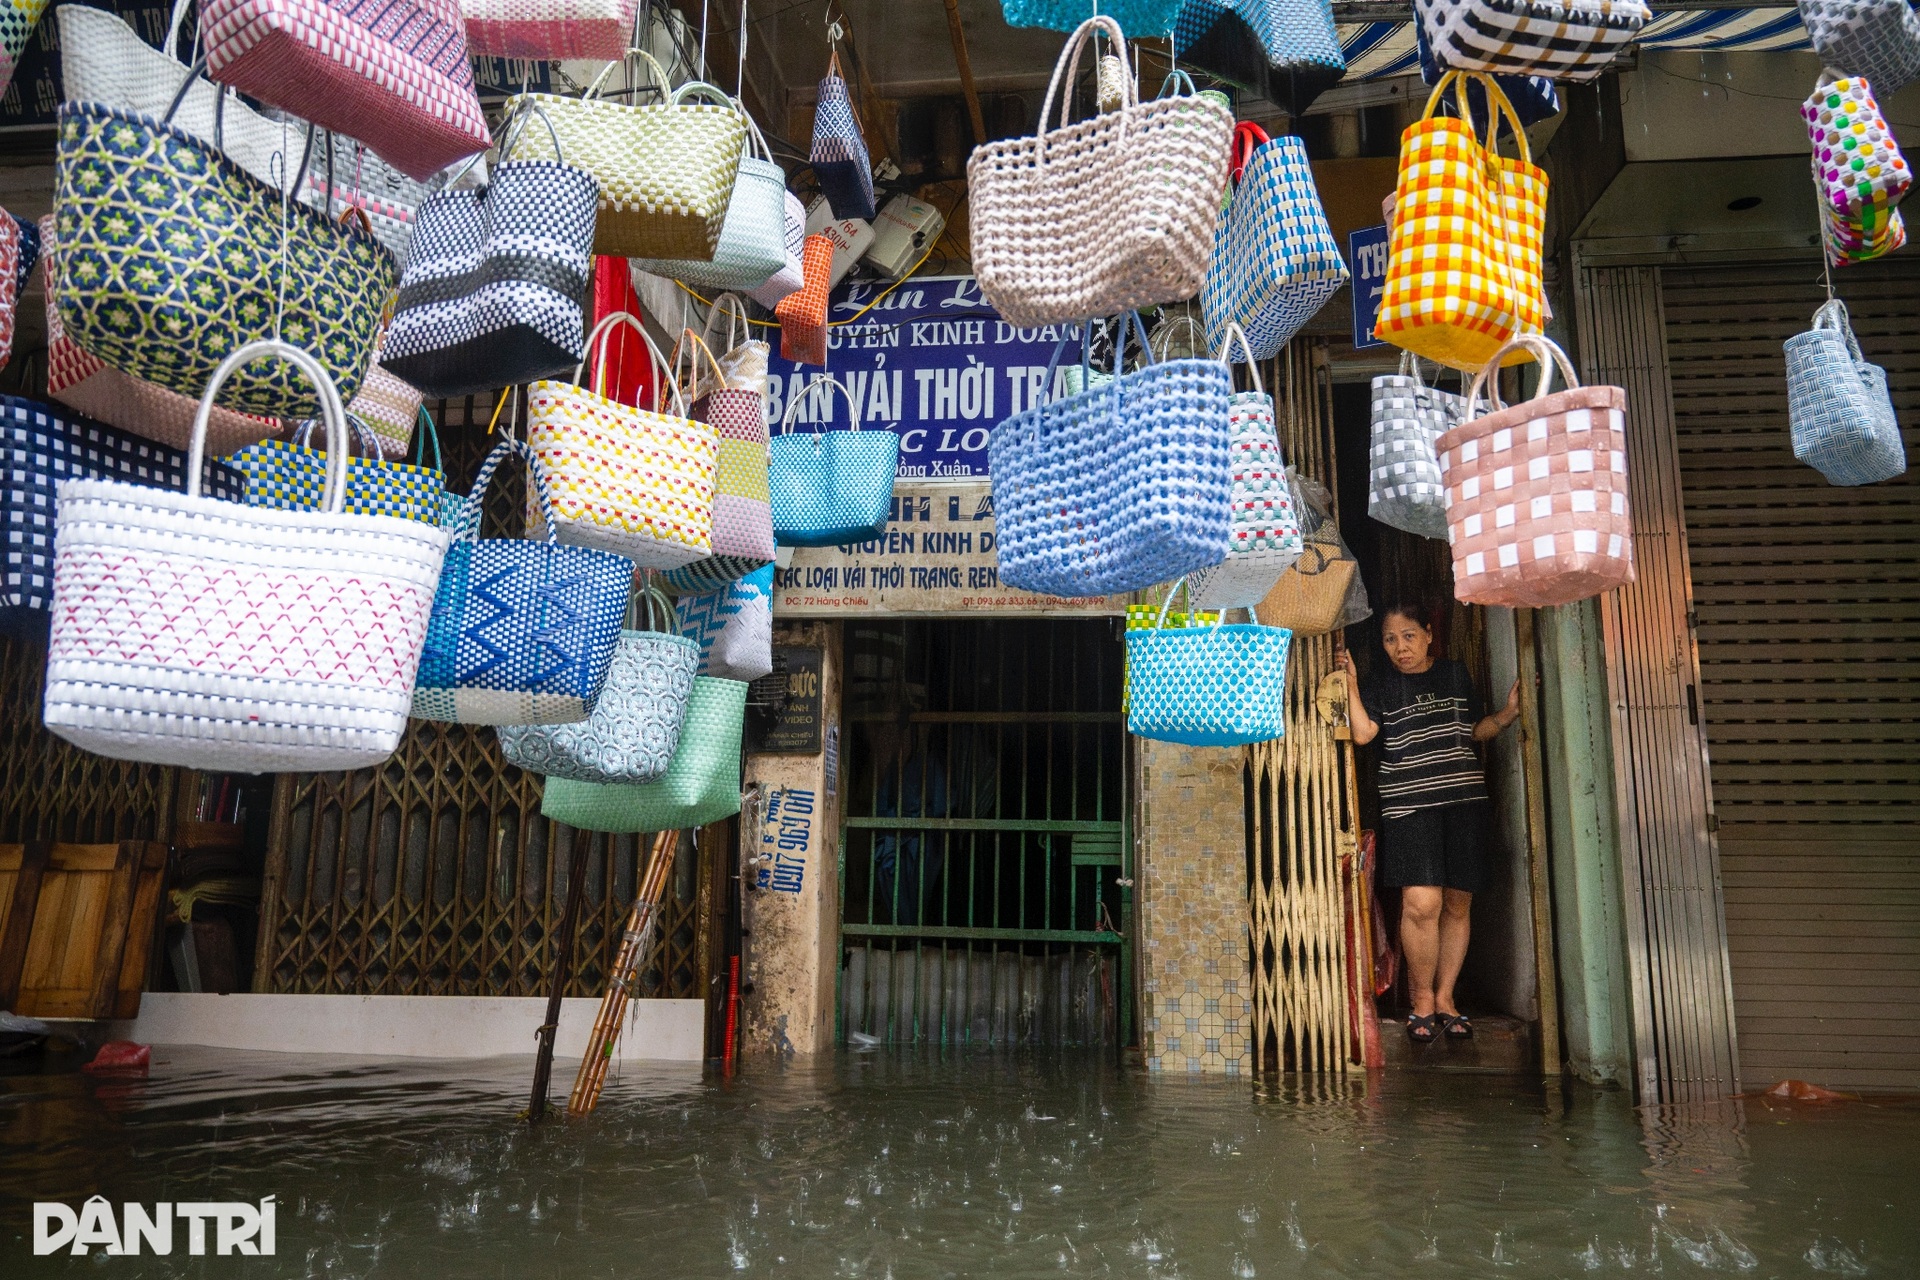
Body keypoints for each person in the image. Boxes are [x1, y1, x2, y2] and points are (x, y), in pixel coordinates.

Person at [1336, 603, 1519, 1044]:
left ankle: (1446, 999)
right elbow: (1363, 735)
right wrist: (1353, 685)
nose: (1400, 648)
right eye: (1390, 639)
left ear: (1429, 634)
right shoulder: (1381, 685)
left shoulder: (1456, 675)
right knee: (1422, 904)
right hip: (1408, 808)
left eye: (1409, 636)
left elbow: (1472, 732)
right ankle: (1420, 999)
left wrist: (1509, 714)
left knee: (1457, 904)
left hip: (1463, 802)